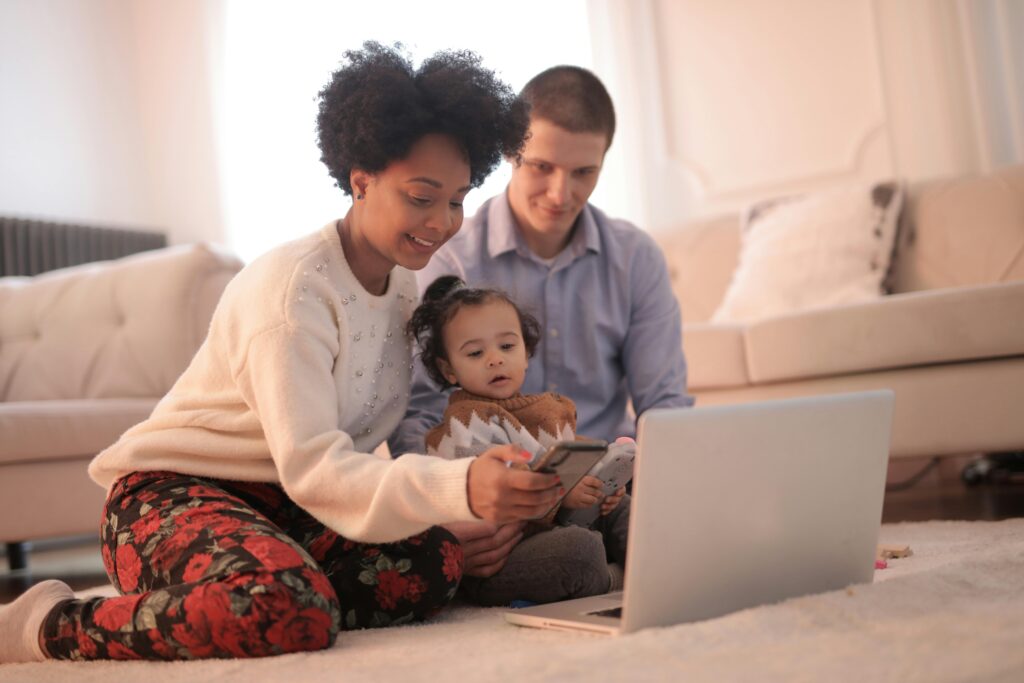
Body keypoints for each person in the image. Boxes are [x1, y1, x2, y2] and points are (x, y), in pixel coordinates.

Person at [0, 42, 546, 664]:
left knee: (434, 559)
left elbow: (353, 457)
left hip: (287, 505)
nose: (444, 221)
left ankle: (258, 575)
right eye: (422, 197)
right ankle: (47, 622)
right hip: (170, 497)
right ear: (360, 179)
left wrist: (451, 504)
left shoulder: (401, 285)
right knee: (284, 606)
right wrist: (459, 485)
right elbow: (316, 466)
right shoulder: (295, 291)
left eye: (457, 198)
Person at [390, 65, 693, 580]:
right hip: (500, 495)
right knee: (574, 557)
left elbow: (663, 407)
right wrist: (446, 512)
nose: (560, 193)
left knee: (683, 529)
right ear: (511, 154)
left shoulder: (635, 257)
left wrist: (677, 487)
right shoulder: (449, 258)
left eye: (583, 173)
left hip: (611, 483)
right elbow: (417, 412)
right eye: (541, 167)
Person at [407, 275, 630, 605]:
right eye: (475, 353)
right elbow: (502, 488)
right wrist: (562, 494)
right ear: (449, 369)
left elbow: (577, 455)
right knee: (580, 552)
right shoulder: (465, 422)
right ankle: (617, 578)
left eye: (507, 346)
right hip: (502, 556)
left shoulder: (548, 409)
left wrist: (606, 486)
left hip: (561, 525)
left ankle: (658, 565)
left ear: (526, 353)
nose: (494, 359)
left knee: (629, 511)